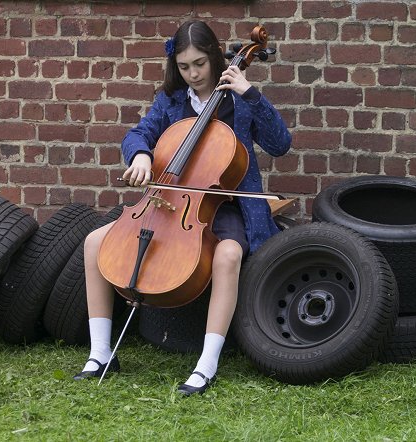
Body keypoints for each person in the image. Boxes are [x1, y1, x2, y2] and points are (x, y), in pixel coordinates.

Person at [74, 20, 291, 396]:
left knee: (226, 256)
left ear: (215, 57)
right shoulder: (171, 102)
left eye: (200, 65)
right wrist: (140, 155)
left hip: (224, 206)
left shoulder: (239, 101)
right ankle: (101, 353)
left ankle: (207, 364)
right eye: (184, 66)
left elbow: (280, 143)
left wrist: (251, 92)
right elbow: (138, 134)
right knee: (95, 242)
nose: (192, 74)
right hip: (167, 200)